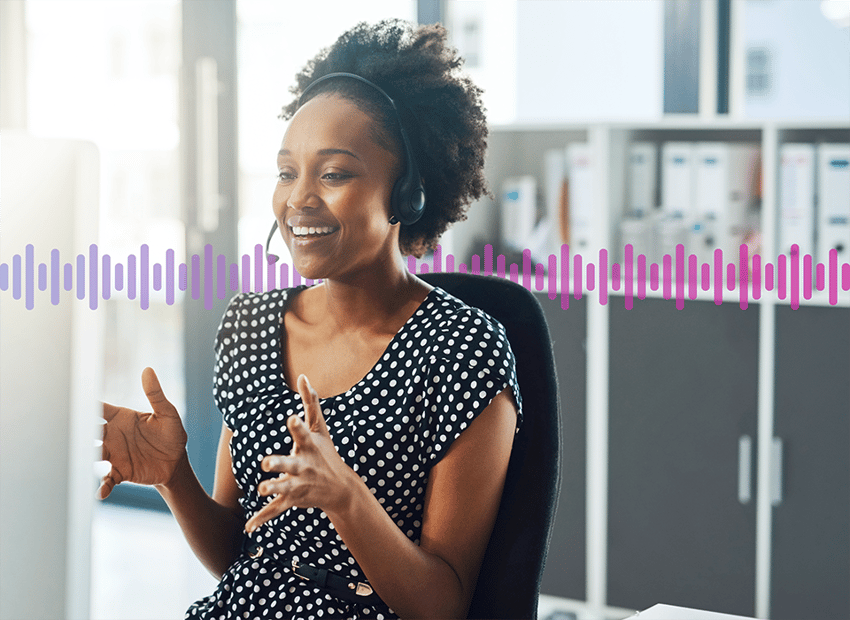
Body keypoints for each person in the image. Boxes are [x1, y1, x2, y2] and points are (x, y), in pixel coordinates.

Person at [98, 19, 522, 620]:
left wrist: (346, 498)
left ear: (408, 193)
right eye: (286, 171)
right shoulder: (250, 326)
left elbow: (443, 607)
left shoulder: (462, 349)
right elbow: (240, 557)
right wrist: (174, 478)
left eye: (334, 173)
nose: (298, 199)